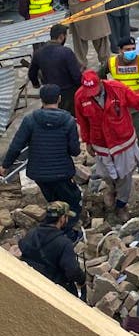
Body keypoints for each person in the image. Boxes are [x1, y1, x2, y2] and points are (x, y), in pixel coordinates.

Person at [75, 70, 139, 222]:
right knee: (106, 174)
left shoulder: (117, 89)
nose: (92, 95)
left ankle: (121, 205)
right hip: (101, 143)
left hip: (122, 141)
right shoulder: (80, 97)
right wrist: (87, 141)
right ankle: (112, 188)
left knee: (125, 176)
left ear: (101, 82)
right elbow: (83, 121)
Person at [0, 84, 81, 231]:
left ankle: (52, 229)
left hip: (39, 174)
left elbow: (16, 146)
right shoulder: (68, 120)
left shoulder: (30, 120)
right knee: (73, 200)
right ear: (59, 99)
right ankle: (67, 231)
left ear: (41, 100)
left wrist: (5, 166)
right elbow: (75, 151)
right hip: (62, 172)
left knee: (53, 202)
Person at [98, 37, 139, 169]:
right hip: (120, 109)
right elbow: (99, 75)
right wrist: (107, 92)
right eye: (127, 49)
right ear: (120, 50)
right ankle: (123, 164)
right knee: (120, 138)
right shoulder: (111, 63)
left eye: (133, 49)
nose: (131, 52)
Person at [17, 201, 84, 296]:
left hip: (29, 281)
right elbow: (72, 271)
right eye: (66, 217)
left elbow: (22, 247)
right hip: (52, 289)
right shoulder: (64, 243)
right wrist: (82, 279)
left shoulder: (32, 233)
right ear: (62, 219)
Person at [28, 25, 81, 113]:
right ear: (62, 36)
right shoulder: (66, 52)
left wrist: (36, 84)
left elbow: (32, 73)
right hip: (68, 93)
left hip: (50, 94)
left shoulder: (38, 53)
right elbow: (76, 75)